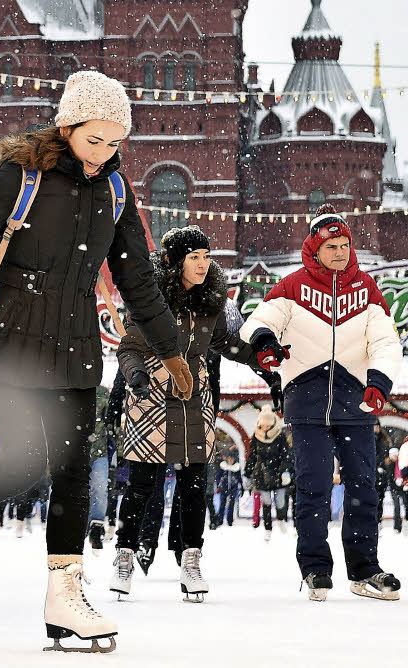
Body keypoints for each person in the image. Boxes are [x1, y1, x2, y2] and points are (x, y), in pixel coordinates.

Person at [0, 70, 192, 650]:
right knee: (29, 458)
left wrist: (172, 350)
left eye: (115, 142)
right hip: (8, 340)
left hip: (75, 346)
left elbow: (137, 281)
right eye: (94, 139)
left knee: (76, 469)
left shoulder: (116, 193)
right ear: (68, 126)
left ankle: (66, 597)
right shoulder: (22, 177)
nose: (104, 153)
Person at [241, 204, 402, 602]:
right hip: (307, 400)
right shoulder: (292, 285)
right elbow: (260, 320)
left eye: (345, 244)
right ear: (315, 248)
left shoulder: (366, 288)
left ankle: (365, 570)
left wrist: (379, 381)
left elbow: (385, 340)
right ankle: (315, 570)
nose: (340, 251)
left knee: (365, 486)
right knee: (312, 488)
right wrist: (265, 345)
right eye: (332, 245)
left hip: (357, 402)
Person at [111, 226, 261, 604]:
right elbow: (128, 349)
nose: (202, 264)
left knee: (195, 485)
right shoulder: (151, 302)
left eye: (206, 256)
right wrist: (137, 376)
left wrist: (262, 352)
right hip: (151, 397)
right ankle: (125, 555)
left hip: (194, 397)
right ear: (176, 262)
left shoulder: (210, 303)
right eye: (194, 257)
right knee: (143, 485)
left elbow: (231, 343)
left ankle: (191, 559)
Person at [245, 406, 292, 541]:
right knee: (265, 502)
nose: (265, 427)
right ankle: (267, 528)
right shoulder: (256, 436)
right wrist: (247, 474)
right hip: (262, 473)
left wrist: (284, 471)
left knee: (280, 501)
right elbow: (252, 457)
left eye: (267, 424)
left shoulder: (280, 436)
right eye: (263, 424)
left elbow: (286, 455)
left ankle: (281, 519)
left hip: (278, 473)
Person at [87, 385, 111, 554]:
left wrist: (120, 452)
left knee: (100, 488)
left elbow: (112, 422)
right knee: (78, 490)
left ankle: (96, 526)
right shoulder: (71, 388)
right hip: (75, 451)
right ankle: (80, 524)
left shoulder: (103, 393)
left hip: (99, 450)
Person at [214, 450, 243, 528]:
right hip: (224, 487)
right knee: (222, 504)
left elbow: (239, 478)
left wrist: (242, 487)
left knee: (231, 504)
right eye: (229, 458)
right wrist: (218, 485)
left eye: (231, 459)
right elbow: (218, 476)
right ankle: (220, 520)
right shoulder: (223, 466)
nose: (230, 460)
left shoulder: (236, 467)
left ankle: (230, 520)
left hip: (233, 488)